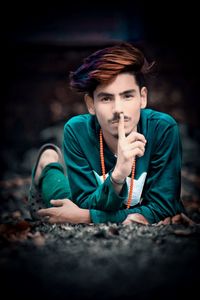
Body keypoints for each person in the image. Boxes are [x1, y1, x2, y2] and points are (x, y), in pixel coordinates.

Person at [28, 42, 186, 225]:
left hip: (91, 206)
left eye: (127, 96)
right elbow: (82, 203)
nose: (118, 109)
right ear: (91, 104)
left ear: (142, 98)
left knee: (69, 216)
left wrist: (84, 217)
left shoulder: (162, 129)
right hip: (87, 197)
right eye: (106, 98)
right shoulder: (76, 130)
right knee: (63, 205)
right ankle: (47, 164)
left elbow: (164, 207)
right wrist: (118, 175)